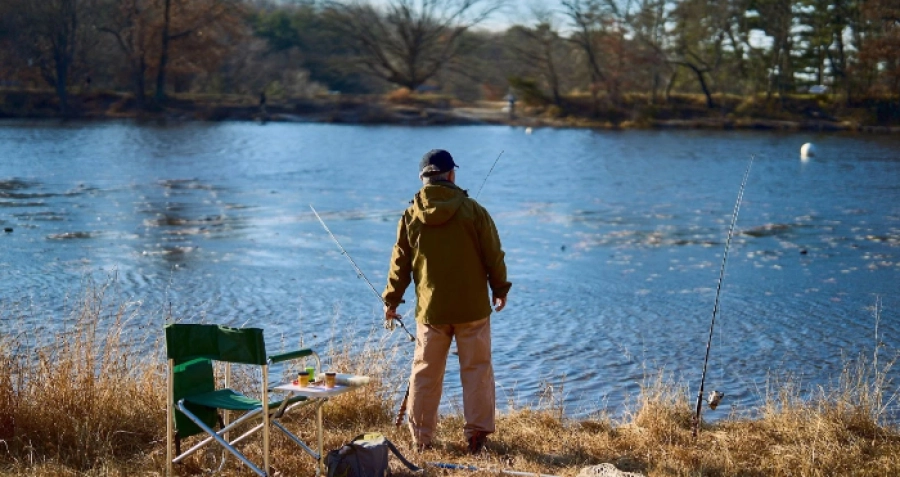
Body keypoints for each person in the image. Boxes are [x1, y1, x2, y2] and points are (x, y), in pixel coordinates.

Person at [382, 149, 511, 454]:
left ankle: (422, 440)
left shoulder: (411, 213)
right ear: (452, 175)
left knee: (425, 373)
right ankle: (477, 436)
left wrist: (392, 300)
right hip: (472, 309)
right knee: (477, 370)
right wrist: (500, 288)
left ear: (423, 178)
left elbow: (399, 262)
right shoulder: (473, 210)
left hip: (431, 310)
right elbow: (494, 253)